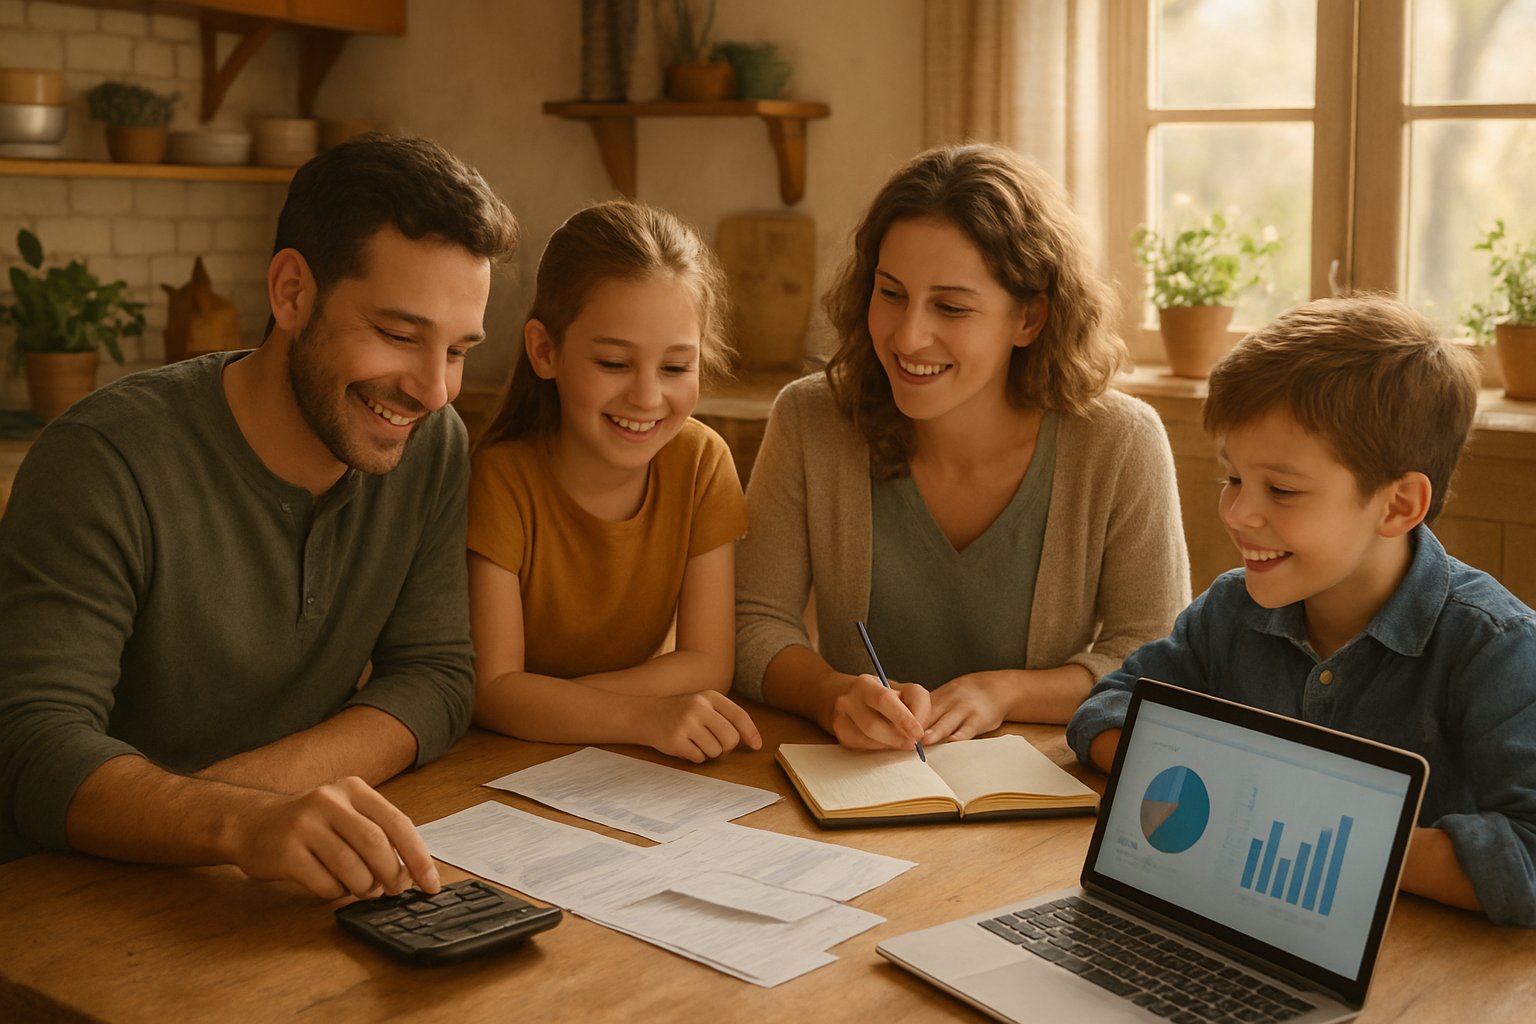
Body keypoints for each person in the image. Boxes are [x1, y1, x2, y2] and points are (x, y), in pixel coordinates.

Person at [0, 134, 518, 901]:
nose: (435, 390)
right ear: (292, 293)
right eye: (400, 335)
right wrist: (241, 822)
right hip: (66, 901)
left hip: (260, 890)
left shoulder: (430, 443)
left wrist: (261, 806)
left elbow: (435, 676)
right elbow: (29, 745)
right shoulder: (102, 458)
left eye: (458, 350)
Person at [1066, 295, 1536, 927]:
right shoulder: (1231, 610)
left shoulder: (1496, 648)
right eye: (1231, 479)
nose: (1237, 514)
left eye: (1281, 490)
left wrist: (1304, 827)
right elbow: (1107, 708)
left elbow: (1527, 861)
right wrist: (1231, 792)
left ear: (1398, 505)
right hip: (1242, 929)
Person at [734, 144, 1190, 752]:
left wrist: (1004, 693)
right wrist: (831, 694)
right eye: (890, 292)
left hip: (1037, 804)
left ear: (1029, 319)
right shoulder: (810, 418)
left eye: (950, 306)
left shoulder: (1120, 442)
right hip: (854, 784)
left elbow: (1154, 658)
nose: (907, 335)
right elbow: (750, 621)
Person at [468, 200, 759, 763]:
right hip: (496, 761)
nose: (648, 398)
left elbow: (708, 662)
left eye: (675, 368)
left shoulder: (702, 464)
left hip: (606, 758)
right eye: (613, 364)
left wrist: (542, 705)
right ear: (544, 351)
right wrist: (641, 716)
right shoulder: (502, 480)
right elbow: (492, 690)